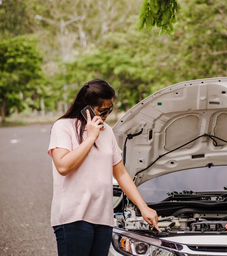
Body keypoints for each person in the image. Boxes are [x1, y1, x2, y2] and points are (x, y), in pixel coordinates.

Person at [48, 78, 160, 256]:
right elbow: (63, 166)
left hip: (103, 219)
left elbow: (121, 172)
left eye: (110, 110)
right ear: (86, 107)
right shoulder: (63, 127)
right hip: (73, 217)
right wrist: (90, 137)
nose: (106, 115)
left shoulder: (107, 132)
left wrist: (143, 207)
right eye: (102, 111)